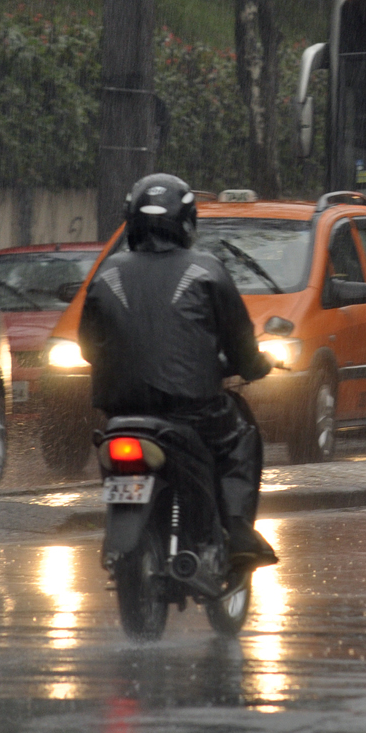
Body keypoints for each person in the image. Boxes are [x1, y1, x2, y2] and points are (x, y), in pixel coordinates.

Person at [80, 173, 278, 569]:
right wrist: (256, 366)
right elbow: (241, 346)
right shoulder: (207, 270)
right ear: (187, 222)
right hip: (192, 412)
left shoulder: (106, 272)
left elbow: (88, 344)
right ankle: (237, 528)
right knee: (241, 435)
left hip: (120, 411)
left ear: (132, 220)